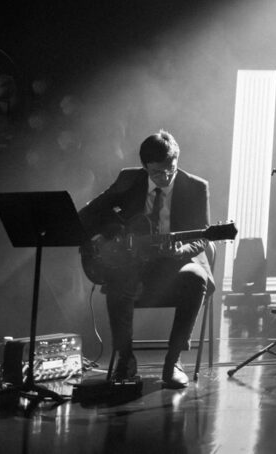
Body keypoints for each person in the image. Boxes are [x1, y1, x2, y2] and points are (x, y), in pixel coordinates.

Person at [79, 129, 214, 387]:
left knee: (196, 278)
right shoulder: (129, 179)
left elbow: (202, 238)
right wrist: (103, 236)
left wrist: (180, 251)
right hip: (132, 261)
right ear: (145, 167)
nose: (165, 177)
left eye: (170, 169)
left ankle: (173, 361)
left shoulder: (196, 187)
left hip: (174, 261)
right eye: (156, 172)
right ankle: (125, 360)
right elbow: (91, 212)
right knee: (118, 283)